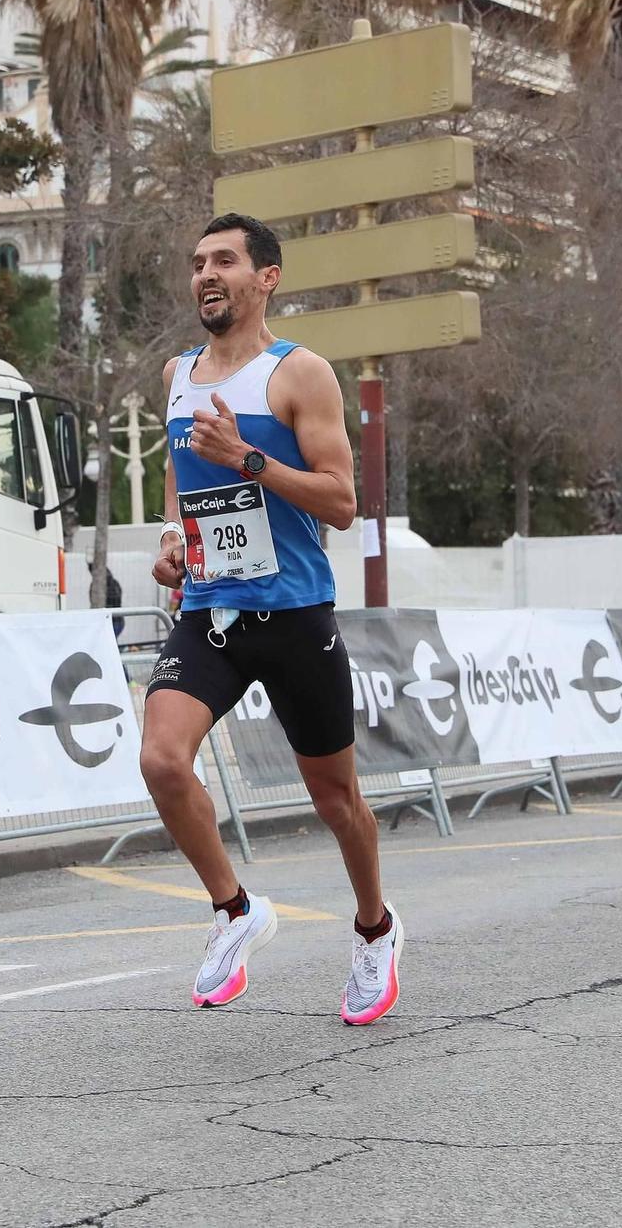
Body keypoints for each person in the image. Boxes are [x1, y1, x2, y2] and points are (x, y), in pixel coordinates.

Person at [143, 212, 402, 1025]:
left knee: (336, 799)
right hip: (213, 608)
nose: (205, 275)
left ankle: (374, 928)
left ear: (267, 277)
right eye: (197, 263)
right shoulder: (176, 374)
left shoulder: (300, 374)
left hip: (293, 611)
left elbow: (340, 500)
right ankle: (234, 909)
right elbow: (184, 482)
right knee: (161, 759)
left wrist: (249, 459)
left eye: (224, 260)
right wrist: (173, 540)